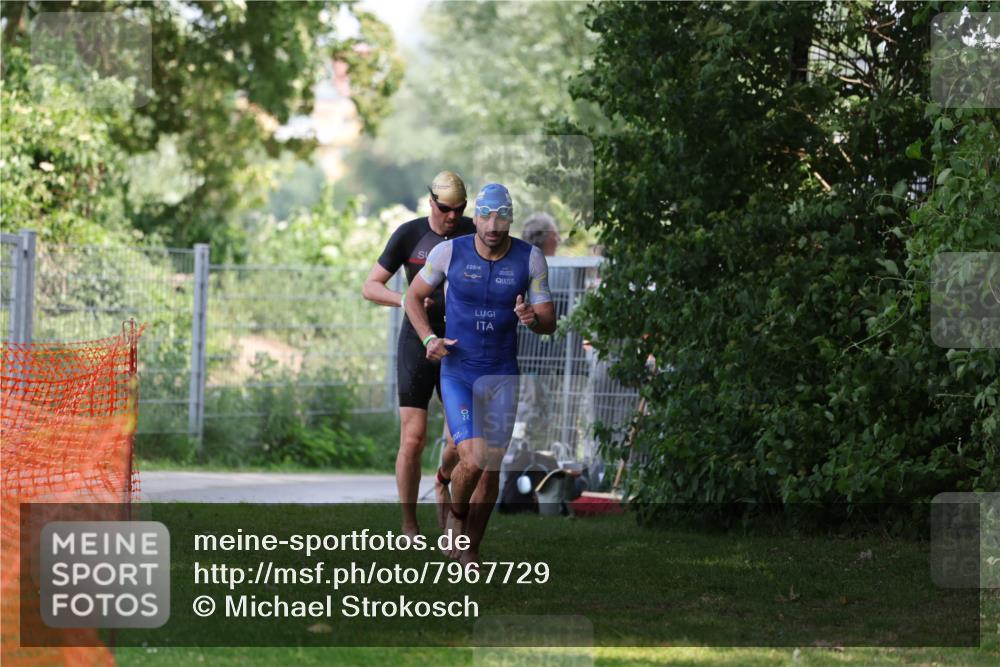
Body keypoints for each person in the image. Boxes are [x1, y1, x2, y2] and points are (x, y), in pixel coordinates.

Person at [405, 183, 556, 566]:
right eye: (485, 218)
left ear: (510, 219)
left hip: (502, 375)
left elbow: (548, 322)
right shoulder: (448, 252)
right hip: (459, 373)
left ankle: (470, 548)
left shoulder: (530, 258)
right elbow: (412, 297)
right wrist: (428, 338)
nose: (492, 226)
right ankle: (454, 513)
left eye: (500, 219)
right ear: (476, 219)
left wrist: (532, 319)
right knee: (472, 459)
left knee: (491, 467)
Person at [361, 171, 475, 538]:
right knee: (413, 438)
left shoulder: (474, 232)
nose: (452, 216)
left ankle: (442, 479)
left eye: (459, 209)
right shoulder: (409, 234)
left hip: (460, 344)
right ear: (431, 203)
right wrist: (406, 299)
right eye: (445, 209)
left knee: (460, 441)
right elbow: (370, 286)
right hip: (418, 340)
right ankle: (409, 524)